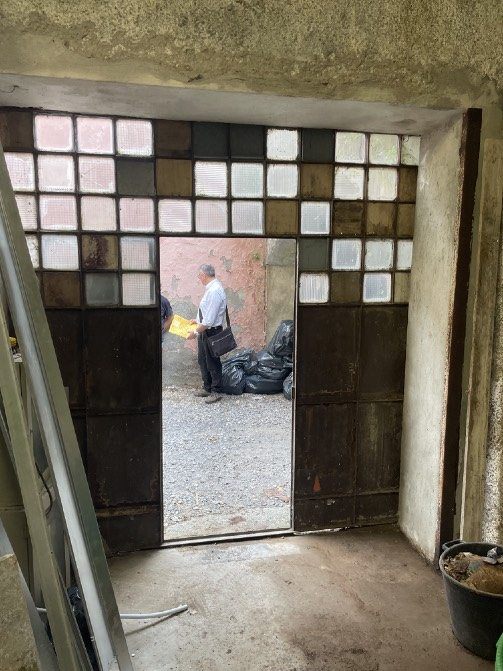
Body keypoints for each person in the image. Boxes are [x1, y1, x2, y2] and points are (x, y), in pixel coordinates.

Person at [186, 264, 227, 404]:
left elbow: (209, 320)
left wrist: (195, 331)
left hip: (211, 331)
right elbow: (207, 312)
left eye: (199, 276)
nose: (199, 279)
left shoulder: (214, 291)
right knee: (203, 360)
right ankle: (207, 387)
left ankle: (216, 391)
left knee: (212, 361)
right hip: (206, 330)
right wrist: (196, 321)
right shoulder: (211, 289)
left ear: (204, 275)